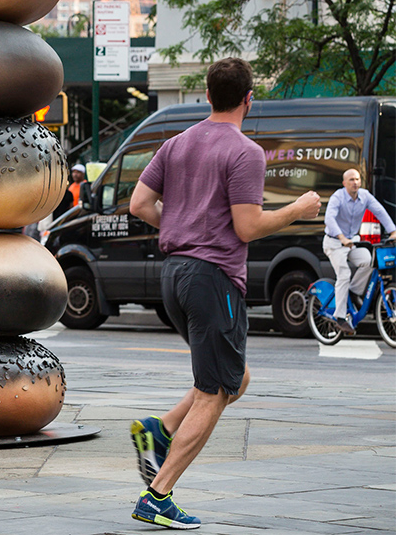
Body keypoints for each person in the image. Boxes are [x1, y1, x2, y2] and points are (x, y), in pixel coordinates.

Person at [127, 58, 321, 529]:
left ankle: (161, 428)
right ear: (248, 99)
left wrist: (179, 225)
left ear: (208, 96)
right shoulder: (245, 151)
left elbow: (138, 204)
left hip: (174, 277)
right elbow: (247, 225)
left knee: (237, 378)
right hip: (213, 279)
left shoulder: (176, 143)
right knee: (217, 391)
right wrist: (298, 208)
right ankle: (158, 494)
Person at [323, 167, 396, 336]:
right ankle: (339, 317)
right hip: (334, 242)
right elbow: (329, 219)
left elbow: (379, 211)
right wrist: (341, 237)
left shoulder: (365, 196)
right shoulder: (338, 197)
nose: (355, 183)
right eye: (351, 180)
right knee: (344, 274)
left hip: (350, 242)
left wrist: (393, 230)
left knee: (368, 261)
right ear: (344, 183)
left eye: (357, 179)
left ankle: (354, 292)